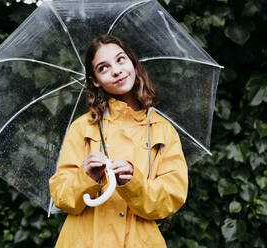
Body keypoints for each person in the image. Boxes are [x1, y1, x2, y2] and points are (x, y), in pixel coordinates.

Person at [49, 34, 188, 247]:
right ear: (95, 80)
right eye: (103, 68)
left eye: (120, 59)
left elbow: (171, 197)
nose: (116, 70)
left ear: (132, 62)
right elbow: (62, 196)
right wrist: (85, 177)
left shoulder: (163, 130)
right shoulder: (83, 127)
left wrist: (134, 182)